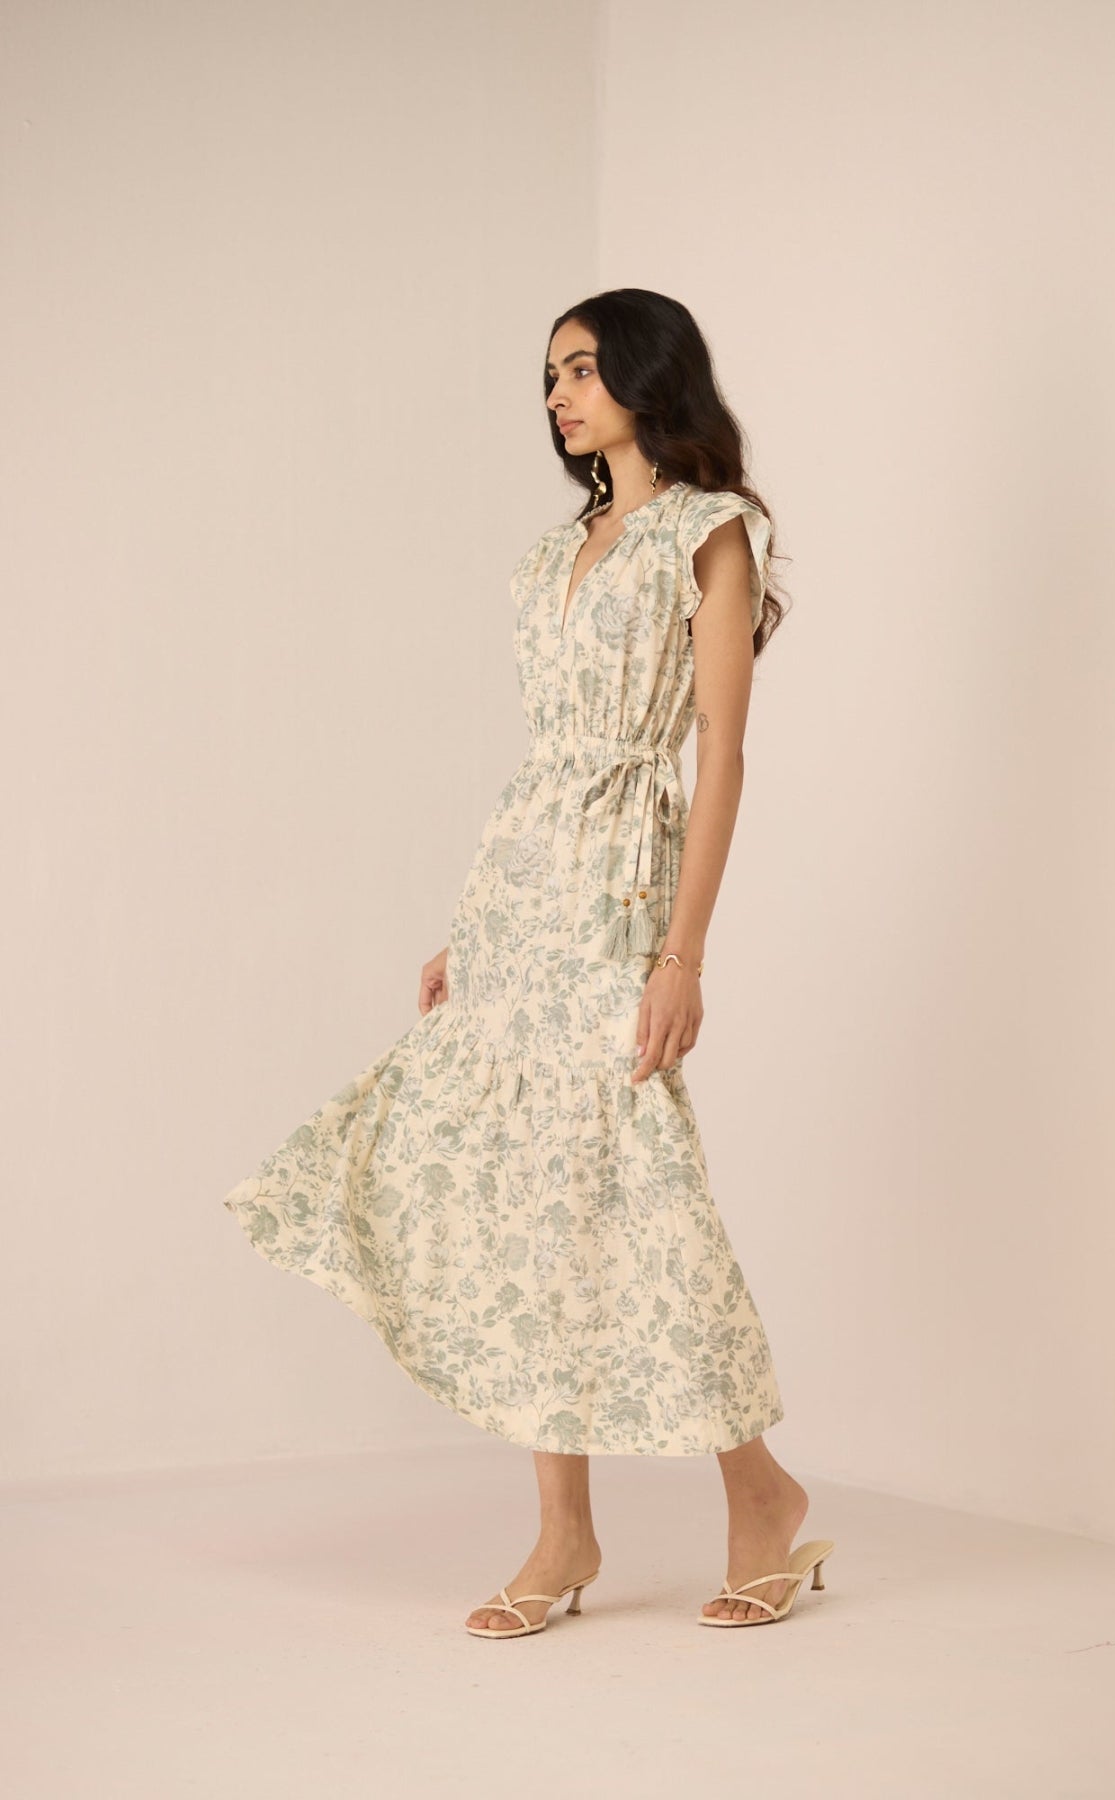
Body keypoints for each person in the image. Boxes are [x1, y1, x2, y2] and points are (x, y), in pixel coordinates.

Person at [222, 287, 834, 1636]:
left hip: (624, 895)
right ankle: (563, 1538)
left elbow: (719, 755)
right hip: (523, 895)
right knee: (524, 1203)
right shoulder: (548, 557)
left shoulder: (707, 534)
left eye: (579, 367)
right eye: (547, 373)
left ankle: (761, 1499)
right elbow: (541, 763)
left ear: (643, 374)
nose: (557, 395)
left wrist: (683, 955)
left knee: (643, 1194)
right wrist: (474, 925)